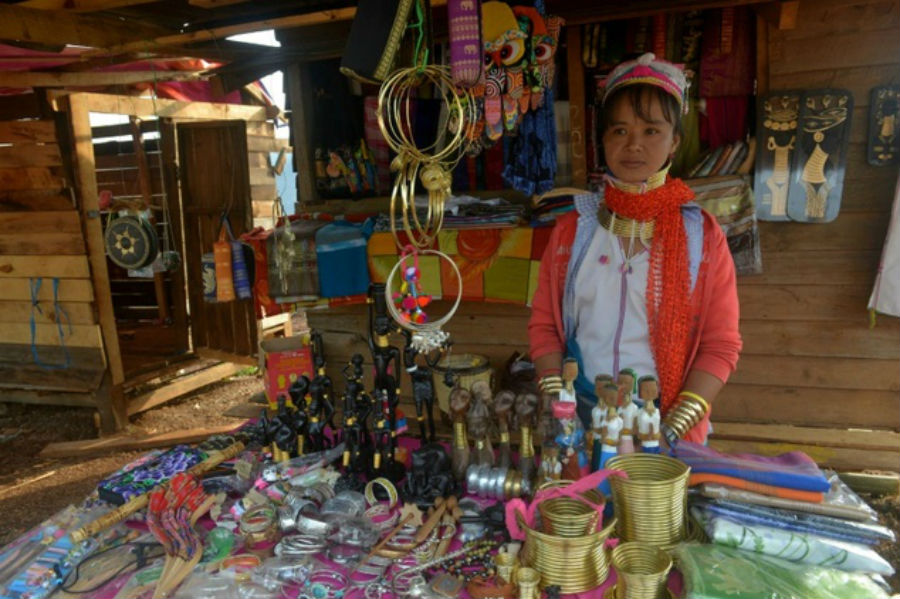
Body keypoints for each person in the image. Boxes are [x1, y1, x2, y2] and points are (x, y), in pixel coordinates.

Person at [528, 53, 742, 446]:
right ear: (604, 140)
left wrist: (673, 428)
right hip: (580, 420)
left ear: (675, 141)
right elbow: (544, 327)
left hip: (666, 423)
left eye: (651, 131)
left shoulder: (703, 237)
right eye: (620, 130)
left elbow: (721, 344)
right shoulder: (572, 232)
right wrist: (561, 406)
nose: (633, 145)